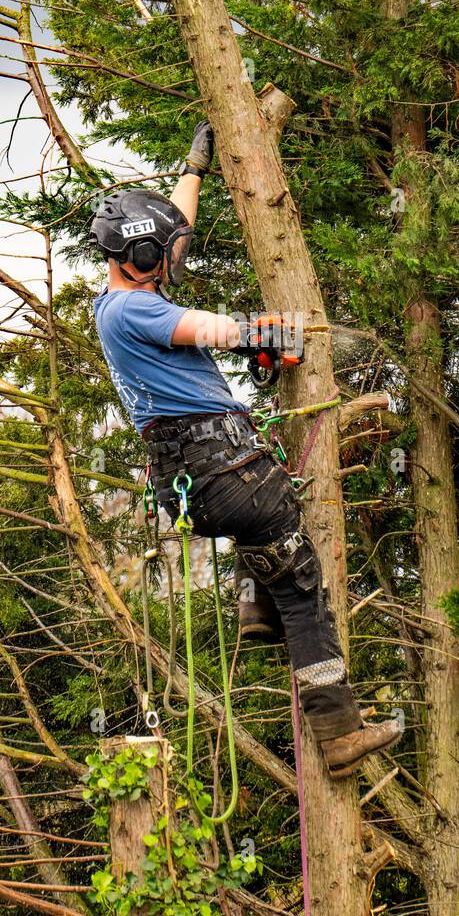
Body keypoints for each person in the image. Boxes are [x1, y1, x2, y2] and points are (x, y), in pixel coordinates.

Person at [89, 121, 401, 778]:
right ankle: (338, 731)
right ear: (143, 259)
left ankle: (256, 607)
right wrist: (267, 332)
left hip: (199, 482)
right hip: (229, 470)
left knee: (266, 536)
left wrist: (193, 169)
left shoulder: (114, 303)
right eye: (166, 253)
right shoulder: (139, 312)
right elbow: (214, 329)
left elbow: (173, 229)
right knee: (303, 587)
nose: (176, 259)